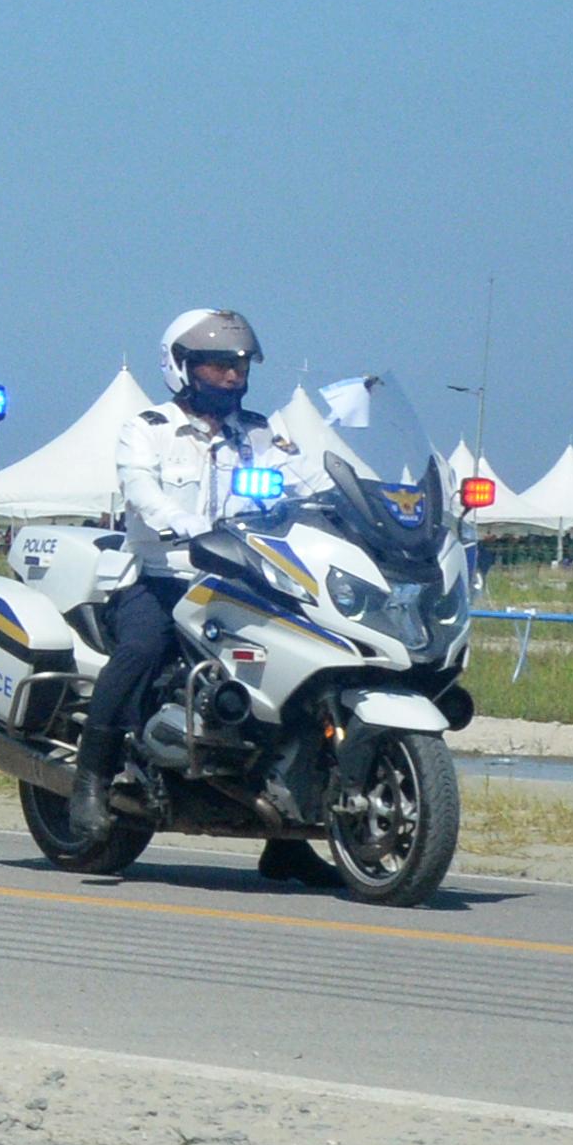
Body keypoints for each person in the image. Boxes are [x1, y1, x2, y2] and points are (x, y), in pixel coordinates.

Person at [60, 308, 348, 888]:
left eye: (239, 365)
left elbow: (305, 479)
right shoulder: (148, 428)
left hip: (245, 578)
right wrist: (187, 525)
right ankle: (89, 778)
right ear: (182, 367)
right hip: (160, 576)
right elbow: (141, 492)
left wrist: (365, 503)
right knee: (143, 647)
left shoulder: (260, 433)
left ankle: (286, 838)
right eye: (218, 365)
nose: (232, 376)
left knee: (297, 677)